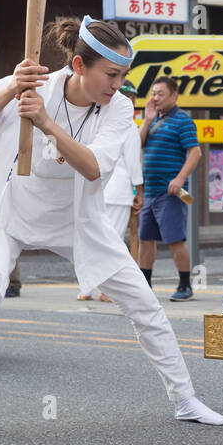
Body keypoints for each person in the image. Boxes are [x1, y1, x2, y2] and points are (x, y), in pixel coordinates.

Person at [0, 16, 223, 435]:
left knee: (145, 306)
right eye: (111, 74)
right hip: (10, 211)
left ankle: (185, 399)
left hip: (76, 219)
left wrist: (46, 123)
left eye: (122, 75)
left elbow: (94, 168)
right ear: (80, 66)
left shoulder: (118, 107)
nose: (117, 84)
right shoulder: (33, 84)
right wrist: (12, 88)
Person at [136, 76, 200, 302]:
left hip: (171, 193)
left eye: (160, 94)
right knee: (145, 240)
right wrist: (147, 120)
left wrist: (180, 179)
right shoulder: (152, 120)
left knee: (175, 240)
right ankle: (145, 286)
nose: (155, 98)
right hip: (151, 191)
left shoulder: (183, 121)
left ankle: (185, 286)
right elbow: (137, 144)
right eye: (153, 93)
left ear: (174, 96)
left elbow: (195, 152)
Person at [81, 106, 143, 303]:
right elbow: (133, 161)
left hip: (93, 185)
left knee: (92, 239)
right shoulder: (128, 124)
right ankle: (107, 289)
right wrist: (139, 190)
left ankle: (86, 288)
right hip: (117, 187)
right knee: (112, 240)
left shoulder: (94, 119)